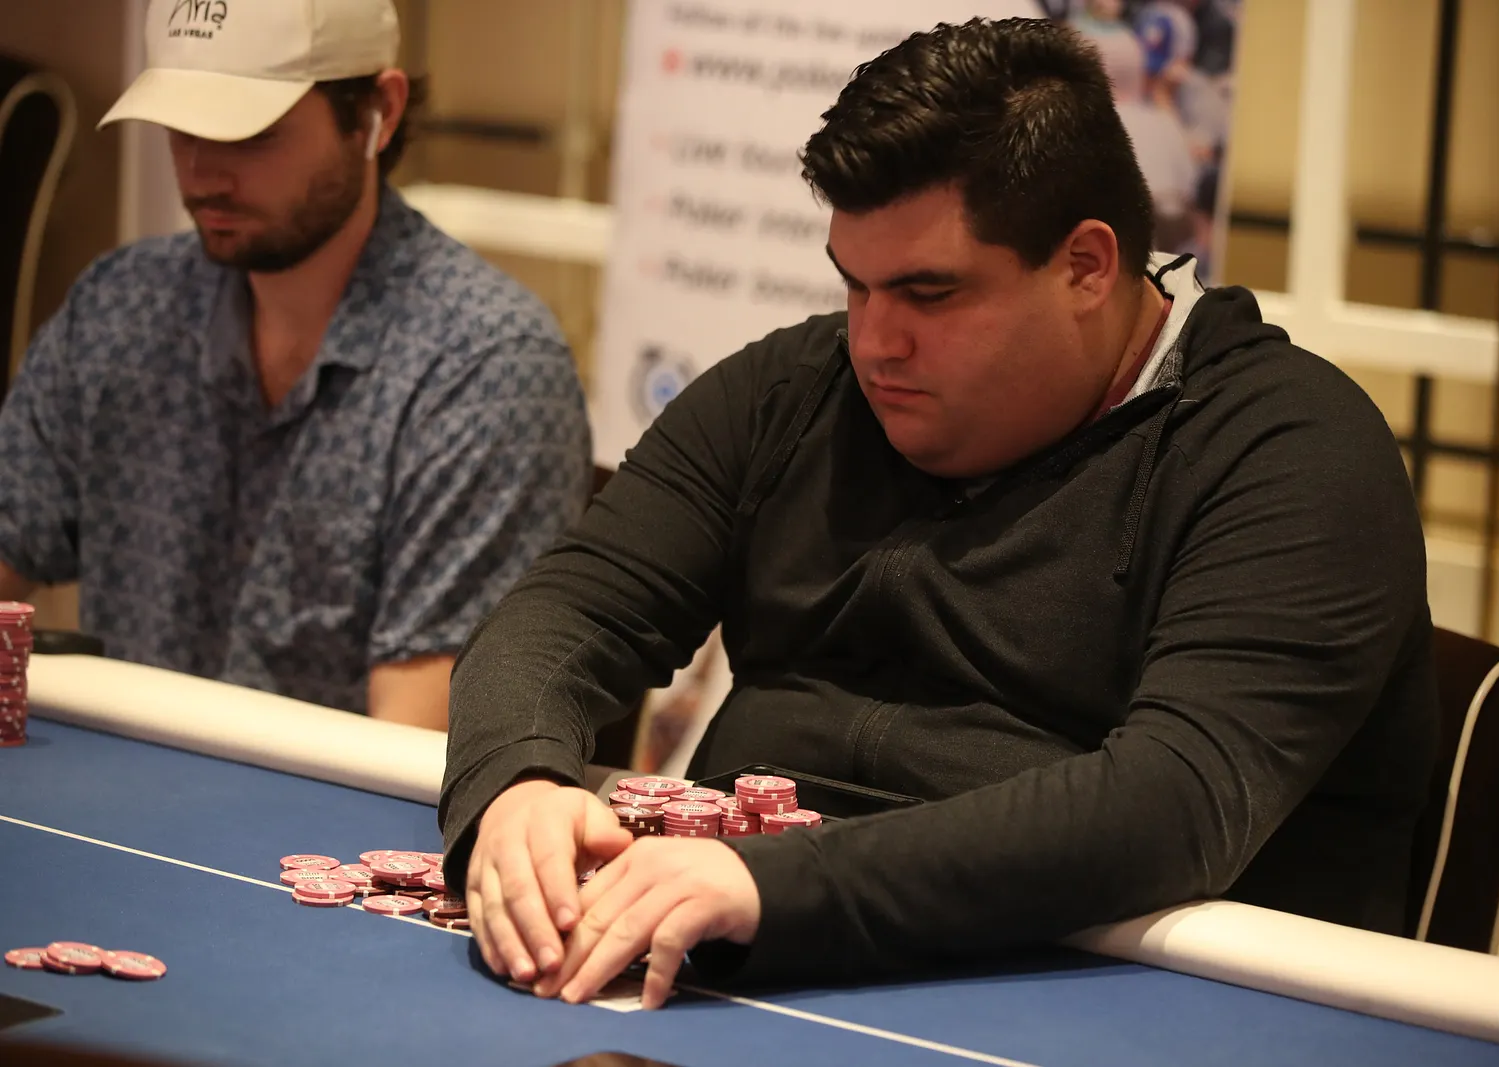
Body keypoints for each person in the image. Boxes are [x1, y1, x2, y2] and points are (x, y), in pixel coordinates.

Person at [441, 17, 1437, 1008]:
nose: (875, 341)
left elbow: (1175, 802)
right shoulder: (791, 389)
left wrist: (768, 886)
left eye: (929, 292)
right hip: (738, 961)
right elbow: (564, 613)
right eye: (855, 285)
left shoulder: (1291, 450)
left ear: (1087, 266)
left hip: (1123, 998)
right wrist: (516, 779)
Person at [0, 0, 590, 729]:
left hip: (333, 804)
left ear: (378, 112)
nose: (203, 173)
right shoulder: (121, 307)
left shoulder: (486, 369)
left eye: (249, 134)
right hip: (120, 784)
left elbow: (414, 752)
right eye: (180, 129)